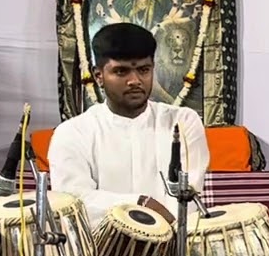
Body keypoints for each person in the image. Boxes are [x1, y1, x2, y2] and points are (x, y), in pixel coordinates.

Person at [49, 22, 209, 229]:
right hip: (100, 255)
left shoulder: (183, 122)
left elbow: (187, 196)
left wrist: (162, 236)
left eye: (143, 70)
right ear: (98, 76)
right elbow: (74, 200)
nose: (135, 80)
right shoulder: (72, 133)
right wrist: (139, 204)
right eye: (121, 71)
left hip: (173, 249)